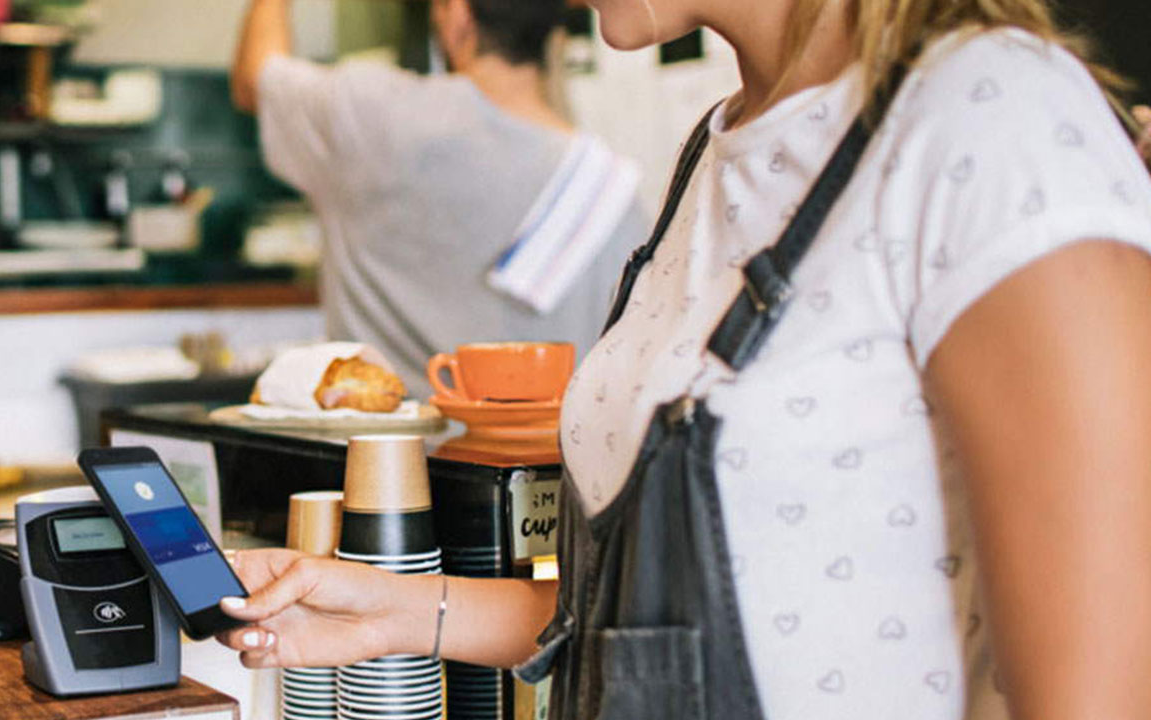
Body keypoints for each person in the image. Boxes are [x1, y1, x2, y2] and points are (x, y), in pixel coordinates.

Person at [218, 1, 1151, 718]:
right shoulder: (712, 152)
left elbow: (1096, 694)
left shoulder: (988, 117)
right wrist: (392, 609)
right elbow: (651, 625)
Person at [231, 0, 644, 397]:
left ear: (459, 14)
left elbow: (255, 78)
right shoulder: (611, 189)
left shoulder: (372, 115)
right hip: (549, 466)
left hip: (386, 464)